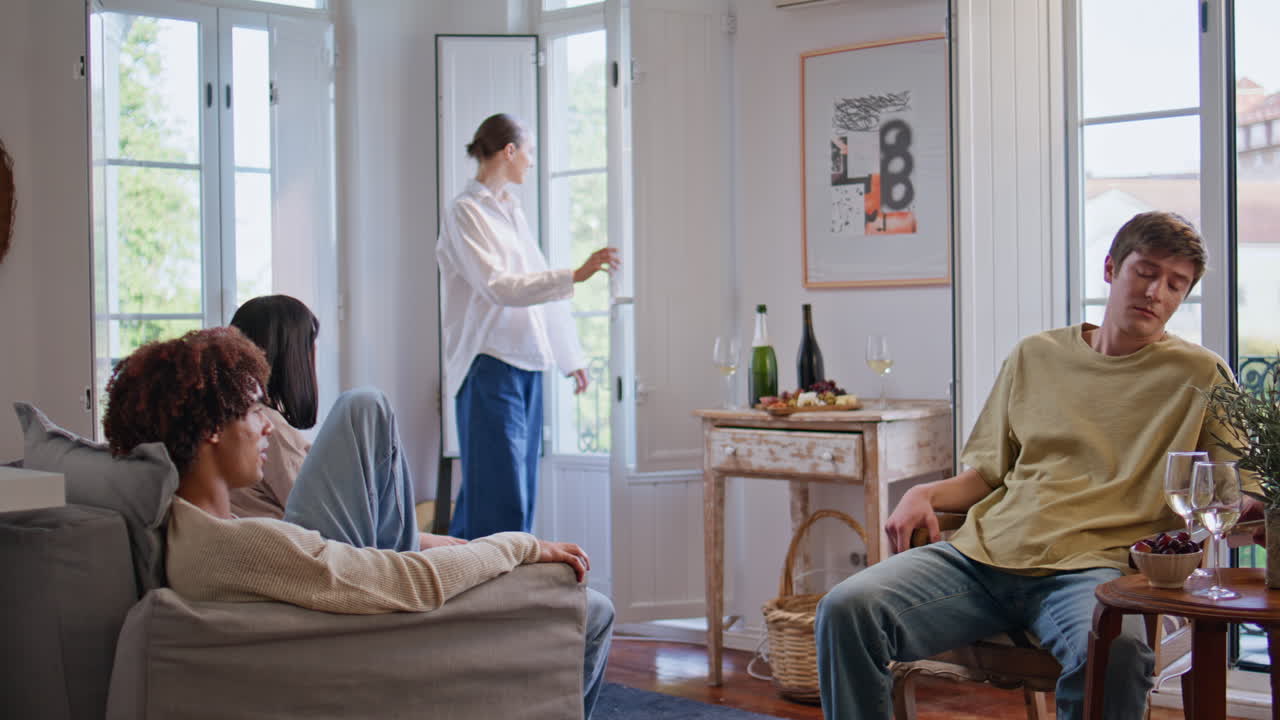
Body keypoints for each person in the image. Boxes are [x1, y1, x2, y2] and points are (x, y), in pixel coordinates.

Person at [814, 211, 1262, 719]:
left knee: (1117, 654)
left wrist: (1254, 513)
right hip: (982, 558)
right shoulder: (1034, 355)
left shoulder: (1201, 374)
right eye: (1145, 272)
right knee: (846, 609)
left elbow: (1237, 487)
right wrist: (924, 494)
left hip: (1097, 572)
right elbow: (987, 474)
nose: (1156, 292)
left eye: (1175, 284)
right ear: (1111, 268)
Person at [101, 327, 614, 717]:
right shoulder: (245, 546)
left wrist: (464, 548)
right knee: (592, 612)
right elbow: (410, 583)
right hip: (384, 635)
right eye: (254, 412)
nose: (266, 427)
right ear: (213, 429)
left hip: (345, 615)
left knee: (365, 408)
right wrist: (518, 546)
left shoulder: (190, 526)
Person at [437, 112, 619, 540]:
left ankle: (480, 577)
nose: (532, 162)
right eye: (529, 152)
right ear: (509, 151)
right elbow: (498, 286)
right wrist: (575, 275)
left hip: (528, 365)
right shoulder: (465, 212)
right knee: (500, 498)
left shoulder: (511, 212)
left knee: (516, 494)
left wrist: (570, 357)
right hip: (489, 364)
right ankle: (481, 579)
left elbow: (537, 292)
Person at [226, 294, 318, 519]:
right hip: (299, 535)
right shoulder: (267, 426)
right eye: (309, 344)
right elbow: (319, 514)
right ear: (294, 355)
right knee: (365, 405)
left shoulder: (234, 415)